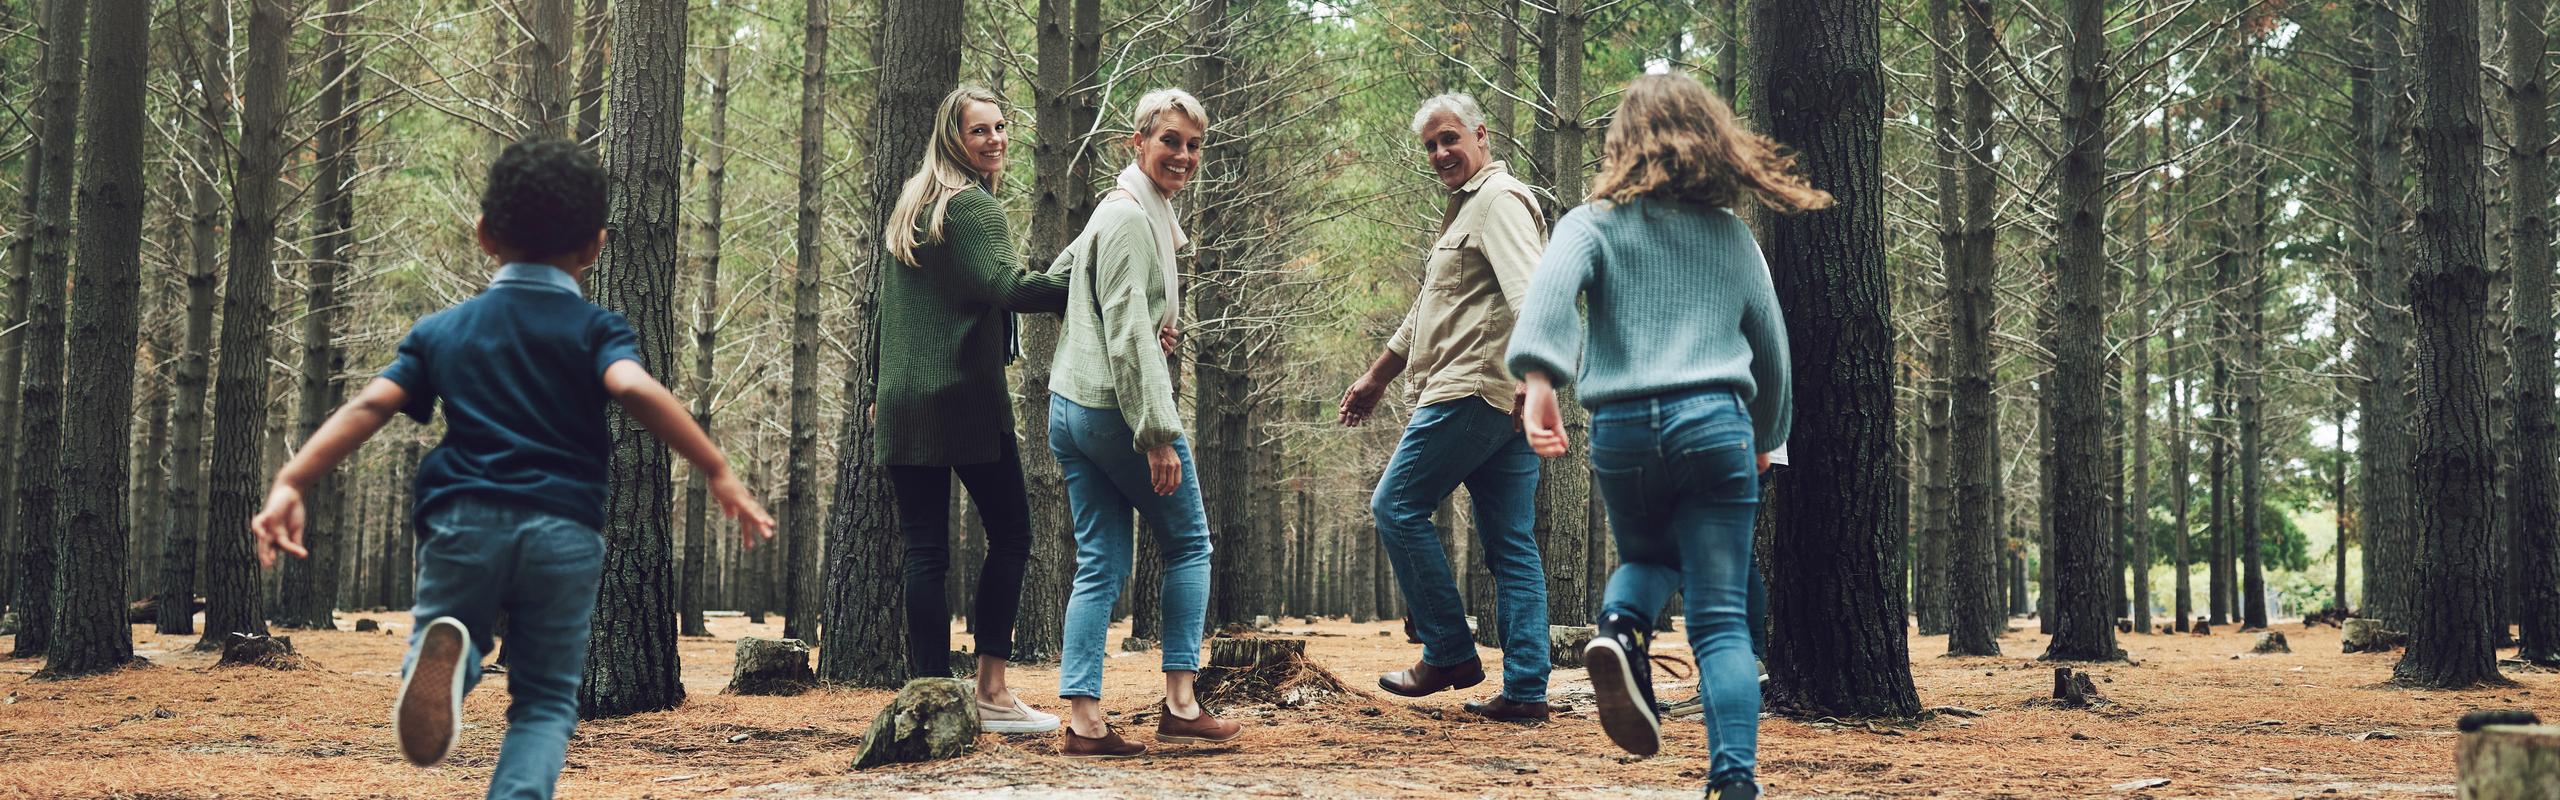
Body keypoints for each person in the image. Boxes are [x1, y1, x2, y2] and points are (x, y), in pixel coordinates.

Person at [249, 141, 777, 800]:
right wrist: (717, 469)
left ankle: (451, 661)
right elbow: (633, 387)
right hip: (564, 530)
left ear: (484, 235)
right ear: (595, 247)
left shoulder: (444, 330)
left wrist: (292, 481)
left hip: (463, 521)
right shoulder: (596, 329)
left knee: (453, 629)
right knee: (546, 699)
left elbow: (370, 405)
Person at [1505, 72, 1830, 800]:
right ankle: (1733, 779)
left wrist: (1540, 381)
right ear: (1713, 142)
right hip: (1717, 425)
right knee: (1721, 623)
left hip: (1623, 430)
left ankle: (1622, 629)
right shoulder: (1732, 235)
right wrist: (1767, 434)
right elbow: (1772, 349)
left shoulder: (1591, 222)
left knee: (1646, 557)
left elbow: (1550, 293)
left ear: (1622, 142)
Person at [1042, 87, 1243, 759]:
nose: (1183, 155)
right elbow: (1129, 335)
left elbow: (1063, 278)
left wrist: (1122, 318)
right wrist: (1156, 434)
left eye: (1193, 145)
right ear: (1138, 142)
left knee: (1100, 562)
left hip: (1069, 406)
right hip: (1114, 411)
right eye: (1170, 141)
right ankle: (1181, 704)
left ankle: (1084, 721)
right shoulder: (1133, 219)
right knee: (1189, 546)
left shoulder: (1118, 205)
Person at [1336, 93, 1551, 721]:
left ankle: (1449, 651)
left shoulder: (1498, 201)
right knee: (1511, 545)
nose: (1440, 153)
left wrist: (1534, 375)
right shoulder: (1466, 210)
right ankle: (1526, 690)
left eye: (1450, 138)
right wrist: (1376, 377)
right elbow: (1428, 310)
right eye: (1430, 145)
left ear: (1481, 135)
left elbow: (1532, 294)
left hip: (1474, 389)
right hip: (1498, 399)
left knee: (1396, 505)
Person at [876, 85, 1074, 734]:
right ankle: (990, 694)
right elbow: (1008, 287)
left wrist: (879, 392)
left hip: (903, 399)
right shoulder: (972, 206)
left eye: (1000, 127)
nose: (995, 139)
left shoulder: (915, 204)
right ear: (953, 138)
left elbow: (891, 313)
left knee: (925, 554)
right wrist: (1089, 281)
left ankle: (930, 704)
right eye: (979, 130)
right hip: (962, 397)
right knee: (1012, 534)